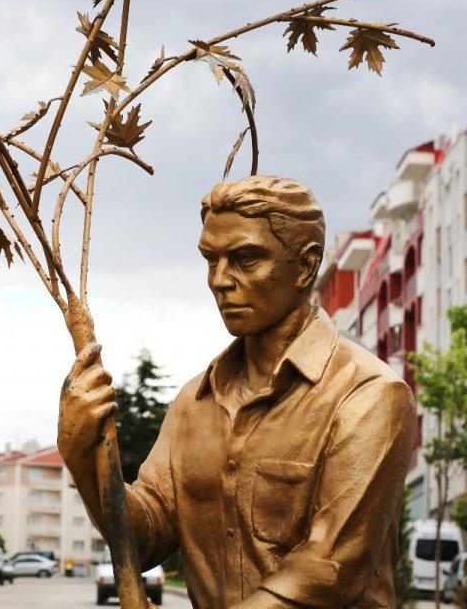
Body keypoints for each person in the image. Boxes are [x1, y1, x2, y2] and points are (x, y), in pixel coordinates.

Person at [59, 176, 416, 608]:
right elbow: (144, 537)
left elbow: (327, 571)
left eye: (246, 259)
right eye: (212, 260)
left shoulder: (368, 395)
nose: (220, 280)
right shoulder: (194, 404)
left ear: (305, 266)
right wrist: (83, 454)